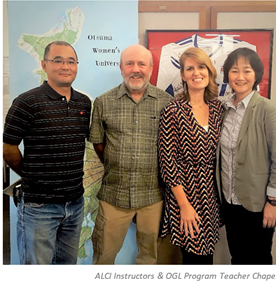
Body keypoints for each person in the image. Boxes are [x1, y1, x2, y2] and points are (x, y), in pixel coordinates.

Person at [3, 41, 91, 264]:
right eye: (58, 60)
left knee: (66, 267)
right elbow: (8, 147)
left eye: (71, 61)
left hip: (75, 203)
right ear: (44, 64)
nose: (65, 66)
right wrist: (29, 172)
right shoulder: (26, 102)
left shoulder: (84, 102)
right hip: (38, 207)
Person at [89, 44, 173, 265]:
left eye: (142, 64)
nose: (136, 69)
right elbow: (98, 144)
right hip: (113, 195)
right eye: (130, 63)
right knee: (103, 257)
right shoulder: (103, 102)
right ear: (121, 68)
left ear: (151, 69)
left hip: (153, 196)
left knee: (149, 258)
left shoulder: (167, 103)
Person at [216, 47, 276, 265]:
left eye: (247, 71)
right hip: (230, 201)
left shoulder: (269, 109)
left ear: (256, 75)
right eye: (234, 70)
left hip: (258, 202)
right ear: (227, 75)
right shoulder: (224, 109)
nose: (240, 77)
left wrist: (273, 202)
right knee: (237, 257)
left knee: (258, 260)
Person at [158, 47, 223, 265]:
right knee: (195, 258)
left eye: (201, 66)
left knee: (206, 256)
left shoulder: (217, 109)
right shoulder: (173, 110)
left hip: (212, 195)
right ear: (183, 75)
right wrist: (184, 205)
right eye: (190, 68)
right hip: (186, 194)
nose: (196, 72)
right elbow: (167, 162)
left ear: (209, 71)